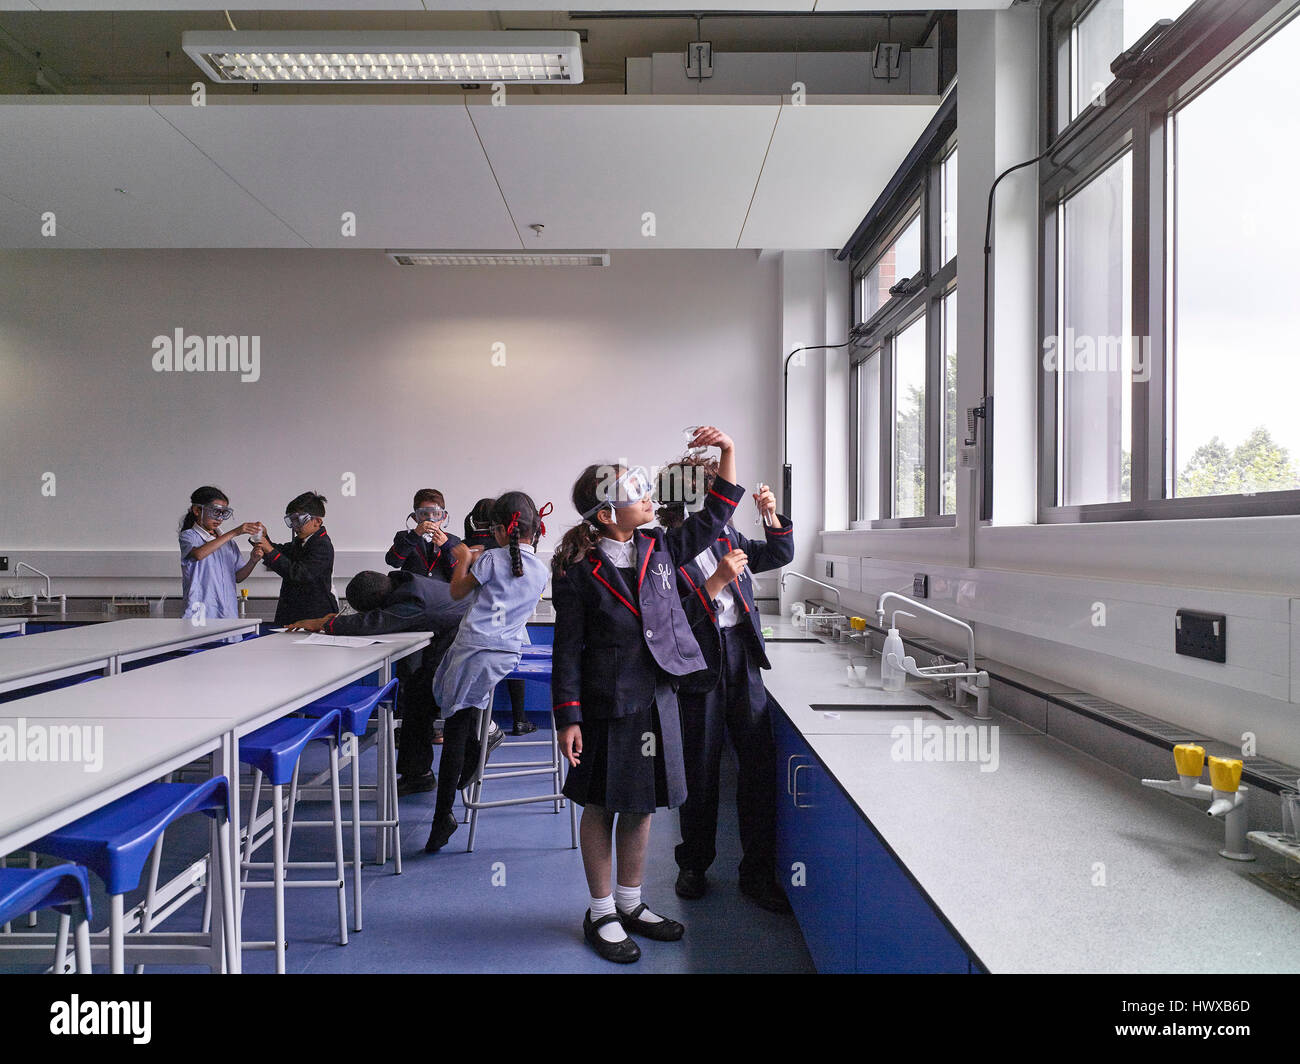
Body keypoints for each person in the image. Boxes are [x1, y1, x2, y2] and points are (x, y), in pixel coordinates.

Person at [550, 427, 744, 964]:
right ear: (607, 514)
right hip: (606, 703)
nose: (647, 499)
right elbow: (567, 649)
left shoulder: (659, 546)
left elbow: (716, 515)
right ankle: (600, 909)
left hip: (658, 696)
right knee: (602, 803)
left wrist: (727, 451)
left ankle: (631, 903)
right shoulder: (577, 570)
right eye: (636, 495)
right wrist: (569, 717)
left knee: (643, 805)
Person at [656, 455, 795, 913]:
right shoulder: (664, 547)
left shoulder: (726, 534)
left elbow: (777, 554)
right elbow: (672, 622)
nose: (724, 498)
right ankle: (693, 864)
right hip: (698, 666)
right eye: (714, 489)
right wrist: (716, 581)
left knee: (758, 769)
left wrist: (771, 516)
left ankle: (756, 873)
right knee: (700, 770)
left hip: (741, 658)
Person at [425, 493, 551, 853]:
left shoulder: (491, 559)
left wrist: (464, 559)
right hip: (505, 655)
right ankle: (482, 742)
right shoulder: (541, 569)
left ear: (497, 530)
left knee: (454, 722)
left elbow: (455, 591)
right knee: (459, 714)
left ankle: (443, 815)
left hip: (475, 650)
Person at [464, 497, 536, 737]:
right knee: (515, 655)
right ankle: (520, 719)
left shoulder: (473, 551)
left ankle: (485, 723)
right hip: (511, 631)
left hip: (478, 632)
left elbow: (457, 592)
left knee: (474, 673)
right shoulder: (529, 561)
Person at [177, 486, 263, 624]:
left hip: (227, 613)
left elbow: (238, 577)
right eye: (215, 512)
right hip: (200, 614)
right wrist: (235, 532)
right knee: (201, 643)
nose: (220, 518)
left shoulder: (228, 543)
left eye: (223, 513)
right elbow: (198, 554)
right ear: (197, 510)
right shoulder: (189, 536)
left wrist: (253, 561)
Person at [252, 491, 338, 626]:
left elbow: (299, 574)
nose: (294, 526)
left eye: (299, 520)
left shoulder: (322, 545)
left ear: (317, 521)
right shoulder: (301, 541)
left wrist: (269, 548)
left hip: (314, 616)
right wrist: (262, 537)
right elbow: (281, 552)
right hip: (293, 612)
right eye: (292, 521)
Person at [386, 489, 461, 581]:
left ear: (443, 517)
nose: (430, 519)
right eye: (424, 514)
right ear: (415, 517)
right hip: (411, 592)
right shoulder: (404, 536)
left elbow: (457, 574)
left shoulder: (453, 540)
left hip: (440, 593)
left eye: (436, 514)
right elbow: (394, 562)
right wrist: (414, 536)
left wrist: (446, 547)